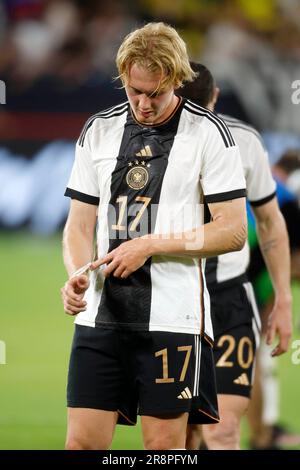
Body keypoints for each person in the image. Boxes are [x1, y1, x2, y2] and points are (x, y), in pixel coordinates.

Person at [61, 23, 247, 451]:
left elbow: (232, 230)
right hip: (100, 317)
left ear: (178, 80)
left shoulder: (209, 135)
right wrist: (77, 274)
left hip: (172, 319)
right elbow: (79, 224)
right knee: (82, 445)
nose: (143, 104)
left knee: (163, 450)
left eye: (155, 94)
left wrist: (150, 244)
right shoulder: (98, 130)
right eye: (134, 91)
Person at [178, 63, 292, 450]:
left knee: (223, 429)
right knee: (180, 432)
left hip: (228, 295)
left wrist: (283, 299)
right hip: (170, 296)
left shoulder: (244, 140)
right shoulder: (148, 139)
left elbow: (269, 221)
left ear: (213, 99)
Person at [247, 150, 300, 449]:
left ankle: (203, 436)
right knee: (254, 362)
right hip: (255, 288)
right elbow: (292, 261)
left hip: (211, 284)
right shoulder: (286, 200)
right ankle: (263, 436)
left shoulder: (244, 185)